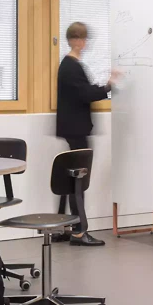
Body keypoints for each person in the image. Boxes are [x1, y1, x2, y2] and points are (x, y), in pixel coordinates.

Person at [55, 22, 120, 247]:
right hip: (76, 129)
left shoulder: (69, 65)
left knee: (70, 180)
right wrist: (108, 85)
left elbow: (82, 92)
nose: (85, 43)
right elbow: (85, 94)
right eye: (83, 39)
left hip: (73, 128)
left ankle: (64, 227)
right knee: (77, 181)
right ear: (76, 41)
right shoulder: (71, 66)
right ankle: (78, 232)